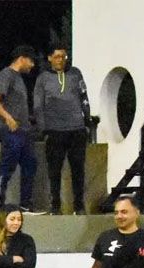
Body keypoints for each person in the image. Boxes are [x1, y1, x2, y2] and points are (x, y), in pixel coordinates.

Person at [34, 45, 91, 214]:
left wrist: (86, 122)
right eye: (57, 56)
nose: (61, 60)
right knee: (54, 170)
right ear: (50, 58)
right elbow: (38, 105)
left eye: (63, 57)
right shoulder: (43, 78)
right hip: (54, 130)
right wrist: (43, 129)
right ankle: (55, 206)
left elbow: (84, 96)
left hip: (76, 129)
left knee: (78, 169)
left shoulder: (75, 73)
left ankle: (79, 206)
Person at [0, 45, 40, 214]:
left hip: (24, 131)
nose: (32, 65)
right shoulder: (7, 74)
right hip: (11, 131)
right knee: (7, 166)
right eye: (31, 61)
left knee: (30, 165)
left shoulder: (18, 78)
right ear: (22, 58)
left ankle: (25, 205)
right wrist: (8, 117)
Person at [90, 195, 144, 268]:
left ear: (137, 213)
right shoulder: (105, 237)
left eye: (124, 212)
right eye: (116, 213)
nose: (119, 216)